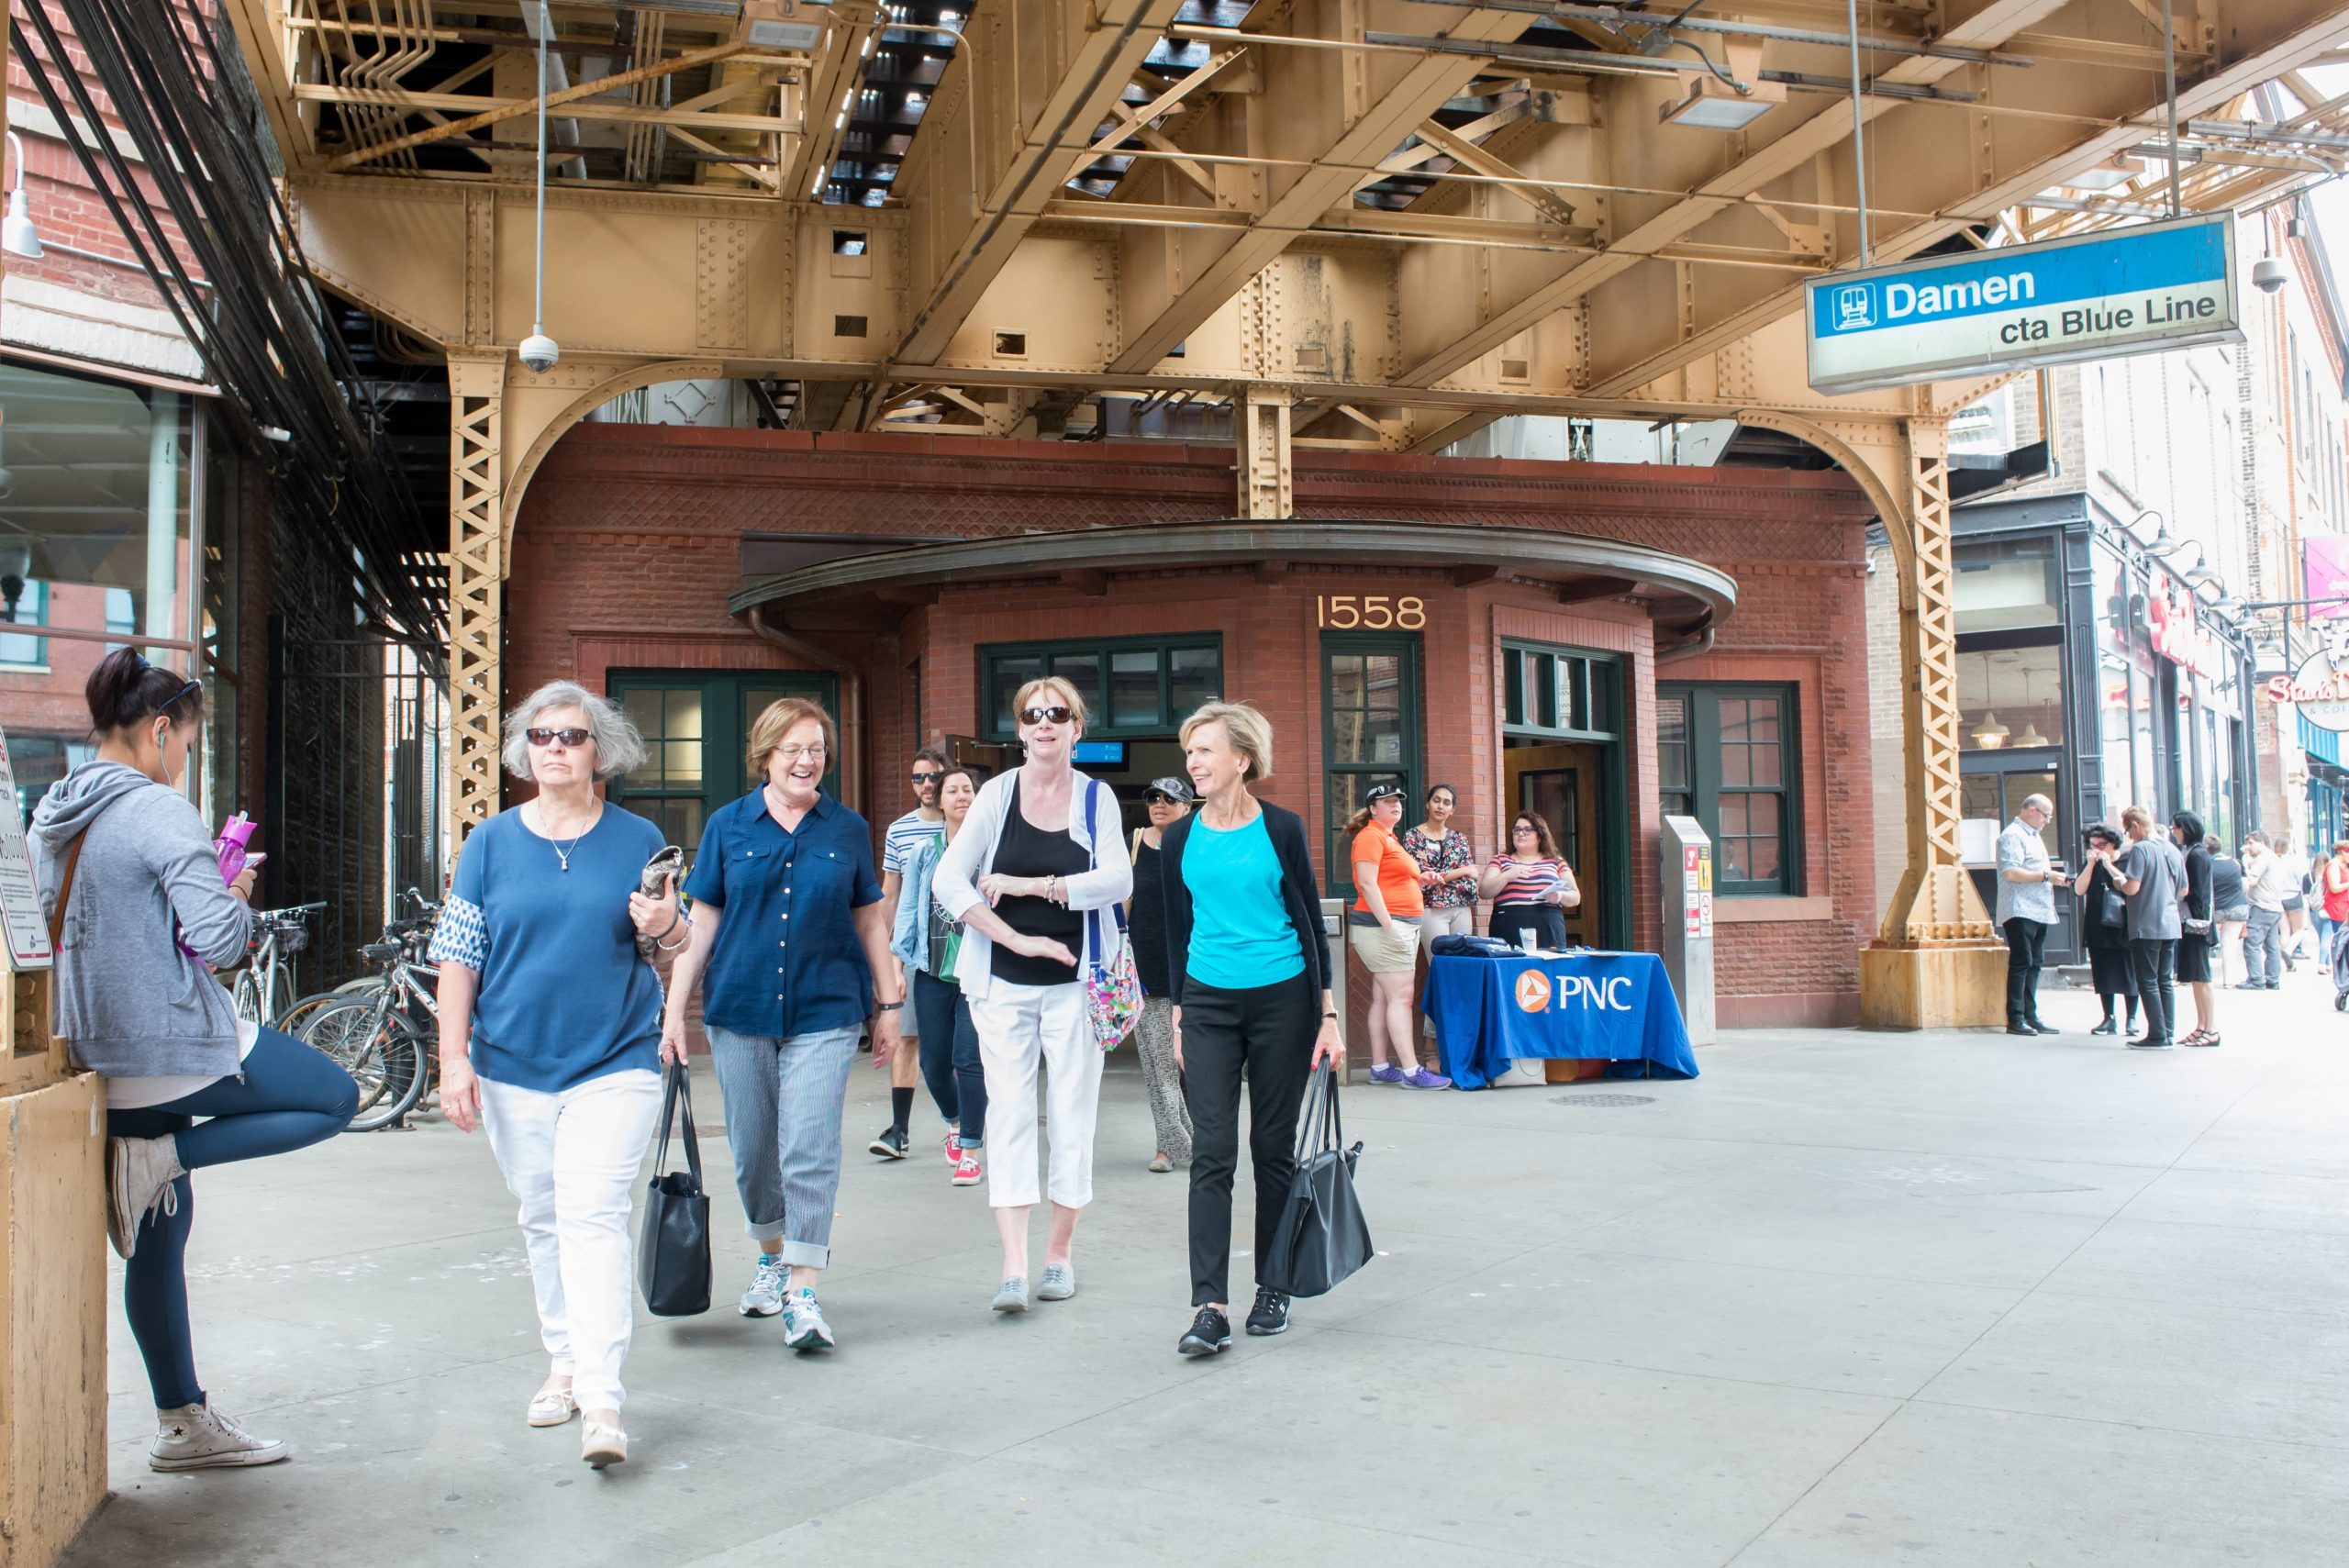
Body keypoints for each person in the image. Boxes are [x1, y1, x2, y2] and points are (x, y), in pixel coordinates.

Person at [30, 649, 359, 1473]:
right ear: (159, 728)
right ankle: (163, 1154)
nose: (183, 759)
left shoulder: (52, 812)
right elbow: (215, 942)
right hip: (173, 1040)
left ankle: (183, 1421)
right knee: (334, 1095)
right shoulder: (159, 811)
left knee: (159, 1237)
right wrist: (235, 901)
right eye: (185, 742)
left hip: (97, 1049)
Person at [431, 679, 675, 1470]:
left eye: (571, 736)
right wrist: (453, 1058)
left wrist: (664, 923)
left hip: (615, 1058)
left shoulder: (639, 837)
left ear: (599, 750)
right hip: (511, 1067)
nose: (555, 749)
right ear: (524, 750)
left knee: (592, 1214)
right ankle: (563, 1362)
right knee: (543, 1215)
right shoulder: (490, 844)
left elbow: (669, 949)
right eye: (541, 737)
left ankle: (603, 1399)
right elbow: (458, 961)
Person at [662, 697, 902, 1354]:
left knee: (809, 1144)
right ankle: (771, 1254)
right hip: (738, 1009)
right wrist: (673, 1014)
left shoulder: (846, 828)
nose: (806, 760)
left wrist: (888, 1005)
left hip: (826, 1010)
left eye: (817, 748)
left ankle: (802, 1288)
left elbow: (869, 921)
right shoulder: (727, 825)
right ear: (765, 755)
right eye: (792, 748)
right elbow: (701, 922)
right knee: (753, 1150)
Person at [933, 676, 1133, 1314]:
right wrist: (1014, 940)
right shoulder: (995, 793)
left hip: (1077, 984)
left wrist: (1031, 884)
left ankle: (1059, 1254)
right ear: (1019, 729)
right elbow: (948, 879)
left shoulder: (1098, 799)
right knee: (1010, 1115)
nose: (1044, 722)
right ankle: (1014, 1266)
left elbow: (1116, 878)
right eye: (1031, 713)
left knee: (1073, 1115)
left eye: (1058, 713)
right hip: (1002, 987)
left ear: (1078, 727)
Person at [1157, 702, 1342, 1357]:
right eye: (1189, 753)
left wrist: (1326, 1015)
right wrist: (1180, 1009)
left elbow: (1310, 924)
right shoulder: (1178, 838)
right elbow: (1177, 929)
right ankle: (1208, 1304)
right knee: (1211, 1149)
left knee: (1271, 1148)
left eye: (1204, 750)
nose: (1193, 764)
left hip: (1282, 1002)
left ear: (1242, 757)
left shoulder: (1283, 829)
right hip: (1207, 1003)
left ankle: (1274, 1284)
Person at [891, 763, 988, 1186]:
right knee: (932, 1061)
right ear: (939, 800)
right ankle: (954, 1119)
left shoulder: (992, 849)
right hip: (930, 969)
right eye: (953, 791)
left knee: (969, 1059)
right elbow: (909, 907)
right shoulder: (923, 852)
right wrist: (899, 960)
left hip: (977, 971)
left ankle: (970, 1148)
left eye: (968, 789)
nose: (962, 796)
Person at [873, 745, 951, 1159]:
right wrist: (887, 958)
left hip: (956, 954)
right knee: (907, 1037)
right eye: (917, 778)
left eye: (932, 776)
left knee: (955, 1045)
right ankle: (898, 1131)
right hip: (915, 952)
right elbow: (890, 893)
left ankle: (959, 1126)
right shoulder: (900, 830)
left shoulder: (966, 826)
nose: (925, 785)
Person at [1348, 784, 1449, 1089]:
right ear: (1373, 809)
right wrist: (1389, 925)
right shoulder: (1370, 837)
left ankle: (1380, 1067)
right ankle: (1411, 1071)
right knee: (1401, 999)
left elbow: (1390, 878)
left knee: (1383, 997)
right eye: (1387, 801)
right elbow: (1367, 884)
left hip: (1392, 926)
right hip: (1386, 928)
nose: (1395, 806)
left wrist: (1421, 877)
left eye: (1398, 802)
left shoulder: (1388, 837)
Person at [1128, 775, 1197, 1173]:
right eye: (1153, 797)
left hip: (1196, 971)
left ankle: (1199, 1140)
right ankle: (1169, 1146)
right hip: (1146, 969)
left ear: (1187, 806)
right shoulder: (1134, 843)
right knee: (1159, 1065)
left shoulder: (1200, 846)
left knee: (1196, 1065)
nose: (1159, 804)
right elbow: (1120, 904)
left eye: (1170, 799)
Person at [1402, 784, 1477, 1062]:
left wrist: (1451, 876)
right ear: (1427, 804)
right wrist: (1460, 871)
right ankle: (1431, 1047)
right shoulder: (1412, 837)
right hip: (1431, 910)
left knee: (1459, 975)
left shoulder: (1459, 838)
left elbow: (1470, 881)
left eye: (1447, 802)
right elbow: (1423, 877)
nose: (1441, 806)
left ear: (1453, 809)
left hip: (1460, 910)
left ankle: (1455, 1047)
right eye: (1436, 800)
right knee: (1441, 973)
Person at [2107, 805, 2186, 1050]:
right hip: (2171, 922)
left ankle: (2157, 1035)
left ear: (2135, 826)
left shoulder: (2141, 849)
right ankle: (2168, 1032)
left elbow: (2132, 888)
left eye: (2128, 831)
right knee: (2164, 980)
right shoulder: (2172, 849)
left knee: (2148, 981)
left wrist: (2117, 878)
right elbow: (2183, 890)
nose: (2129, 837)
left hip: (2146, 923)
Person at [1994, 793, 2063, 1037]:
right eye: (2046, 815)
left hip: (2039, 908)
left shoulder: (2033, 836)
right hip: (2020, 909)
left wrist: (2051, 877)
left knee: (2035, 963)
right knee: (2022, 963)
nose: (2048, 820)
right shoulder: (2012, 835)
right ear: (2031, 810)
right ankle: (2015, 1017)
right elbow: (2010, 872)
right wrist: (2047, 876)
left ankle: (2030, 1015)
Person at [1478, 812, 1580, 952]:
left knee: (1547, 970)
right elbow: (1484, 891)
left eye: (1527, 830)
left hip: (1547, 923)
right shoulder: (1500, 859)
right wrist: (1507, 875)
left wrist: (1560, 896)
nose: (1520, 834)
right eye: (1517, 830)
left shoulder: (1556, 861)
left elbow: (1575, 897)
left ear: (1540, 835)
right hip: (1508, 922)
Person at [2072, 824, 2139, 1038]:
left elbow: (2128, 885)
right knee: (2102, 970)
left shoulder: (2127, 860)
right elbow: (2079, 889)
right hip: (2097, 922)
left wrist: (2109, 865)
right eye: (2092, 845)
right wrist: (2091, 865)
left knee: (2128, 970)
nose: (2097, 849)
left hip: (2122, 924)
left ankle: (2132, 1018)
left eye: (2102, 845)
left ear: (2113, 843)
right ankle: (2108, 1017)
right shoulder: (2092, 862)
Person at [2170, 812, 2219, 1048]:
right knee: (2197, 978)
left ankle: (2210, 1028)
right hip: (2192, 921)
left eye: (2176, 828)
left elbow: (2197, 892)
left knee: (2202, 976)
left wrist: (2178, 892)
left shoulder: (2197, 854)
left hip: (2196, 923)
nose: (2173, 832)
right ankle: (2202, 1026)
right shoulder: (2194, 852)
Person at [2241, 831, 2290, 990]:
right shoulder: (2275, 859)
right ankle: (2272, 978)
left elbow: (2252, 881)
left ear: (2261, 843)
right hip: (2275, 906)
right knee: (2272, 946)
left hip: (2262, 906)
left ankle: (2256, 979)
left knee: (2252, 942)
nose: (2248, 847)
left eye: (2250, 843)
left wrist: (2245, 863)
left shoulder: (2263, 858)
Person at [2208, 836, 2248, 989]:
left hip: (2216, 909)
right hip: (2237, 907)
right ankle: (2228, 980)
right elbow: (2245, 885)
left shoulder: (2207, 865)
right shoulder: (2234, 863)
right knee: (2229, 945)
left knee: (2205, 943)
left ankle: (2205, 977)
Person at [2281, 841, 2313, 967]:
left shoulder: (2275, 861)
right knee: (2300, 930)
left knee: (2284, 931)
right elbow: (2300, 879)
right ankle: (2288, 950)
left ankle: (2285, 960)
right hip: (2293, 895)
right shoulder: (2293, 862)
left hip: (2279, 897)